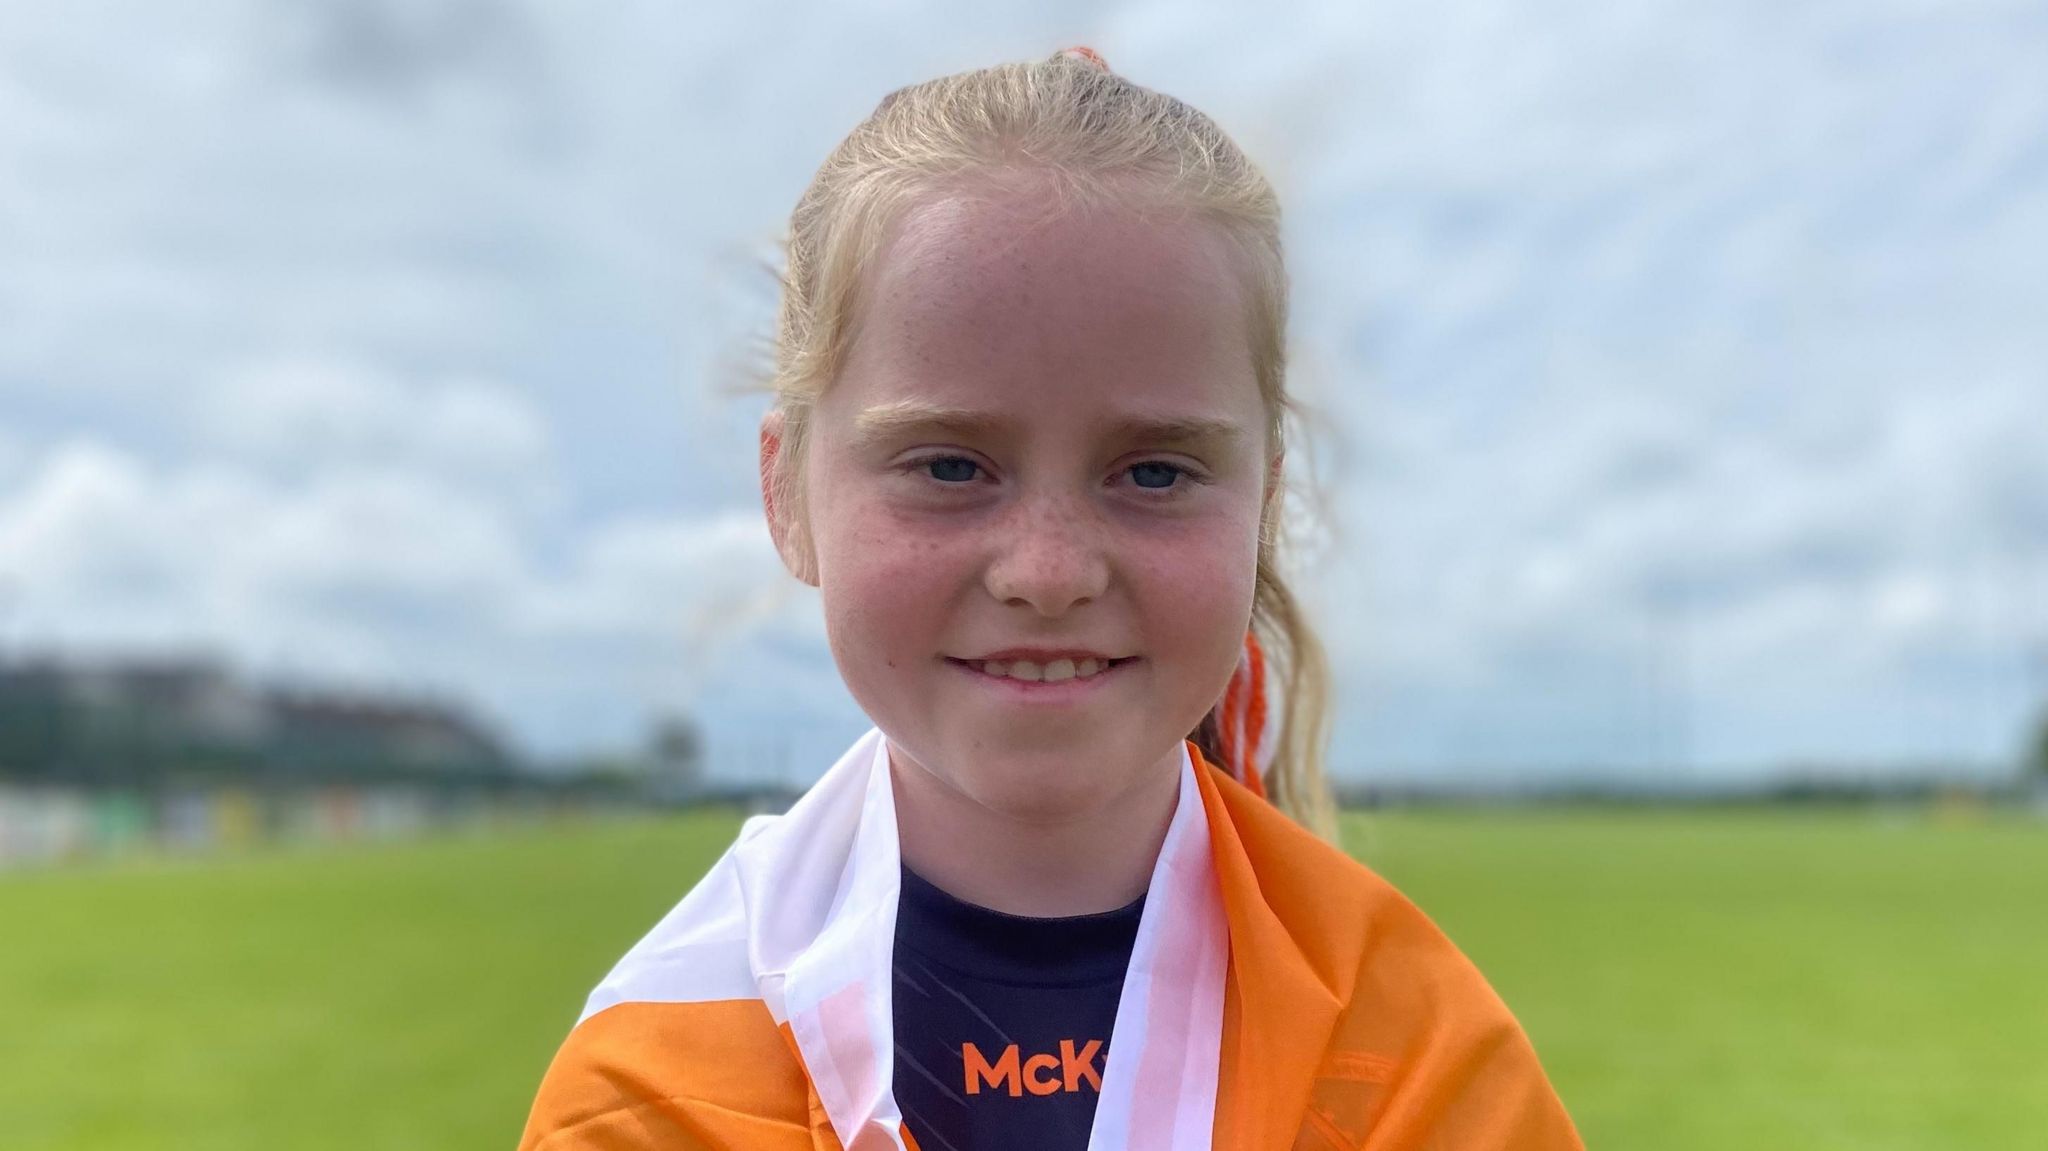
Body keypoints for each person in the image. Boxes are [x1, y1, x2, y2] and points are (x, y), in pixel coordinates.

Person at [518, 48, 1583, 1151]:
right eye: (947, 465)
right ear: (786, 495)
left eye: (1155, 471)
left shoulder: (1409, 1047)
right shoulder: (654, 1083)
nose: (1048, 569)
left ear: (1261, 503)